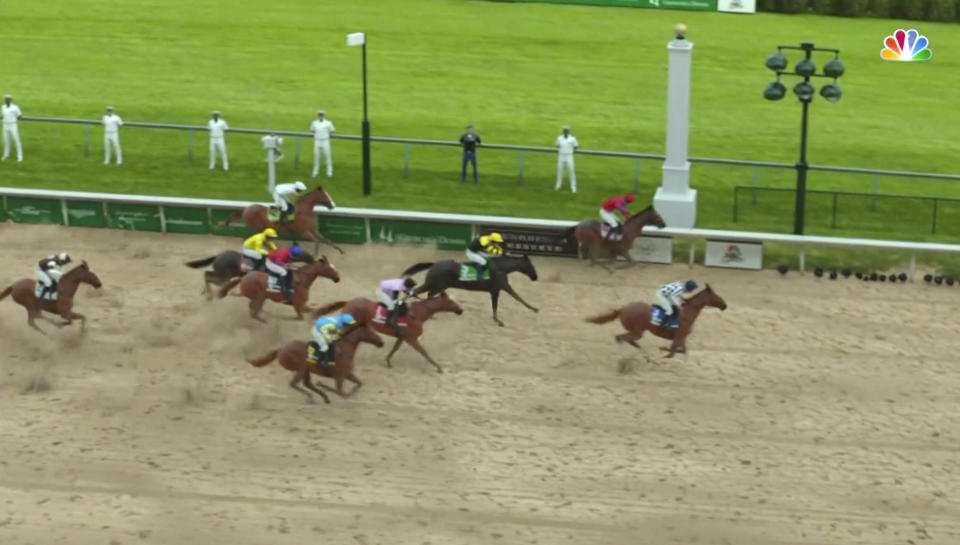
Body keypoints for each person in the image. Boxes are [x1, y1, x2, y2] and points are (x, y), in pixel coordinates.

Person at [310, 110, 335, 178]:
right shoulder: (314, 123)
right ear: (318, 115)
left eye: (321, 115)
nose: (320, 116)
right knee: (316, 156)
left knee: (327, 156)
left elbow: (332, 130)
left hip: (325, 141)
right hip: (317, 141)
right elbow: (312, 130)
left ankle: (329, 171)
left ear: (324, 115)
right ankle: (315, 171)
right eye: (319, 115)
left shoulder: (328, 123)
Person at [554, 125, 578, 193]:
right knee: (559, 171)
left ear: (568, 131)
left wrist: (571, 151)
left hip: (569, 156)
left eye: (566, 131)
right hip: (561, 155)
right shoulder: (559, 138)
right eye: (564, 131)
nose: (565, 132)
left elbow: (576, 146)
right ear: (563, 131)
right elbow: (557, 145)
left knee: (571, 171)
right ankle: (558, 185)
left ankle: (573, 187)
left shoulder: (572, 138)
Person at [2, 94, 23, 162]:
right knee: (6, 140)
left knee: (16, 140)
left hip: (13, 125)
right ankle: (6, 155)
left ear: (11, 100)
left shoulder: (15, 107)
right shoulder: (3, 107)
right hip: (5, 125)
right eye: (6, 99)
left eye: (8, 99)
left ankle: (20, 156)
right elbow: (2, 115)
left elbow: (19, 115)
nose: (7, 101)